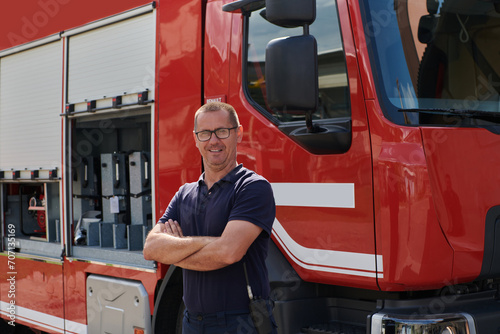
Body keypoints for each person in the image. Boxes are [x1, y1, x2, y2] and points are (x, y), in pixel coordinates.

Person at [143, 102, 277, 334]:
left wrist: (176, 251)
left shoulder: (253, 188)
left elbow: (228, 252)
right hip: (191, 322)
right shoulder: (184, 193)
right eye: (205, 133)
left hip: (240, 323)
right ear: (196, 139)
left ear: (239, 134)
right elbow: (151, 249)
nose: (213, 141)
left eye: (222, 131)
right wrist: (212, 243)